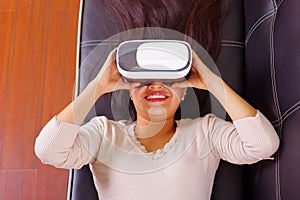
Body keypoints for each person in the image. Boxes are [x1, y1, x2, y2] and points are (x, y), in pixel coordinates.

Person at [35, 45, 279, 199]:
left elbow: (262, 145)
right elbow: (49, 151)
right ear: (130, 91)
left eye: (169, 80)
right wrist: (97, 88)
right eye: (144, 80)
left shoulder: (205, 131)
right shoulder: (103, 133)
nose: (155, 85)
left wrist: (211, 81)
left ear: (185, 91)